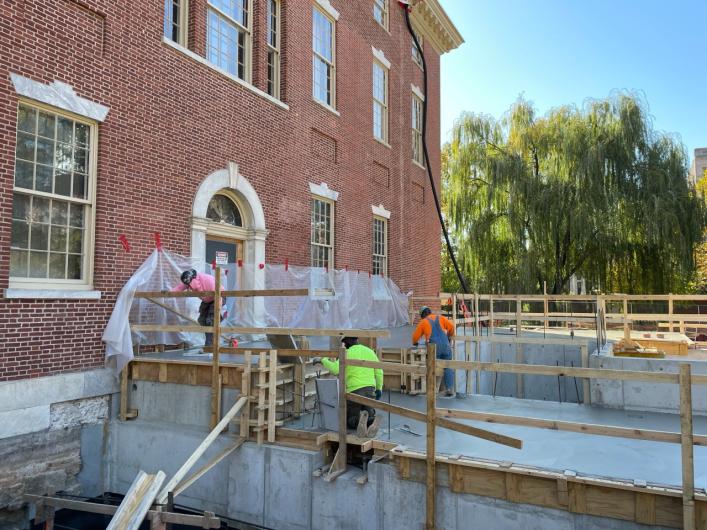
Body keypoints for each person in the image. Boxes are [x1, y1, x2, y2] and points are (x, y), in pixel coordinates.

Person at [319, 337, 384, 437]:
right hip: (370, 390)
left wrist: (323, 360)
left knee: (351, 420)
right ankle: (372, 420)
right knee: (369, 412)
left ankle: (359, 420)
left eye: (344, 343)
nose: (344, 345)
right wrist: (379, 388)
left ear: (348, 342)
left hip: (354, 391)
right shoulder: (370, 351)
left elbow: (335, 369)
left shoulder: (347, 353)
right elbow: (379, 371)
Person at [172, 269, 225, 348]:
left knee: (211, 320)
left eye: (190, 284)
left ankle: (210, 346)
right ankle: (209, 343)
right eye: (188, 285)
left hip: (218, 297)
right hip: (207, 300)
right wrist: (168, 292)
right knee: (202, 320)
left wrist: (218, 309)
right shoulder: (189, 280)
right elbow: (179, 288)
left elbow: (219, 294)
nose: (189, 287)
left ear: (193, 279)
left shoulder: (208, 280)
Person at [412, 306, 455, 396]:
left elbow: (415, 338)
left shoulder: (423, 322)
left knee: (433, 367)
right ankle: (450, 388)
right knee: (448, 366)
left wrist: (415, 343)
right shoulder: (441, 318)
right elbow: (451, 327)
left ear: (422, 315)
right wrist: (449, 337)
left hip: (434, 348)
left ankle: (433, 390)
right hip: (446, 346)